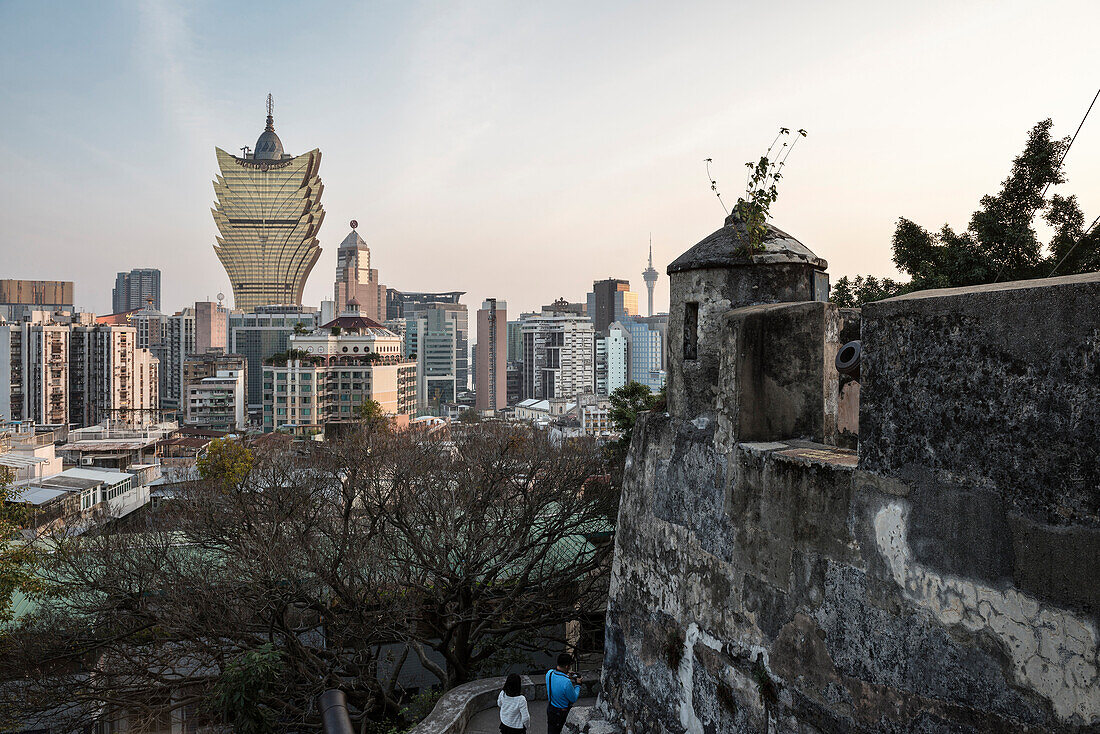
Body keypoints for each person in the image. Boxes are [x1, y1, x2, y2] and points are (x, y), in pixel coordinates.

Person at [545, 652, 581, 734]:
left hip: (551, 708)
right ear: (567, 666)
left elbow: (557, 677)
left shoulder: (549, 673)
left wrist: (566, 674)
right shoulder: (566, 682)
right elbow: (573, 698)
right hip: (561, 712)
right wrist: (578, 685)